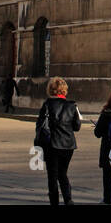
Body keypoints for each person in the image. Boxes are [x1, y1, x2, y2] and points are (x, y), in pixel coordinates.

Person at [36, 76, 82, 205]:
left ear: (51, 90)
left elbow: (40, 125)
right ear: (64, 90)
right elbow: (77, 127)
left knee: (52, 175)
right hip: (68, 144)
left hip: (52, 144)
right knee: (63, 173)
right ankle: (68, 199)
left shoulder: (47, 105)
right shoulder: (72, 105)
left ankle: (54, 201)